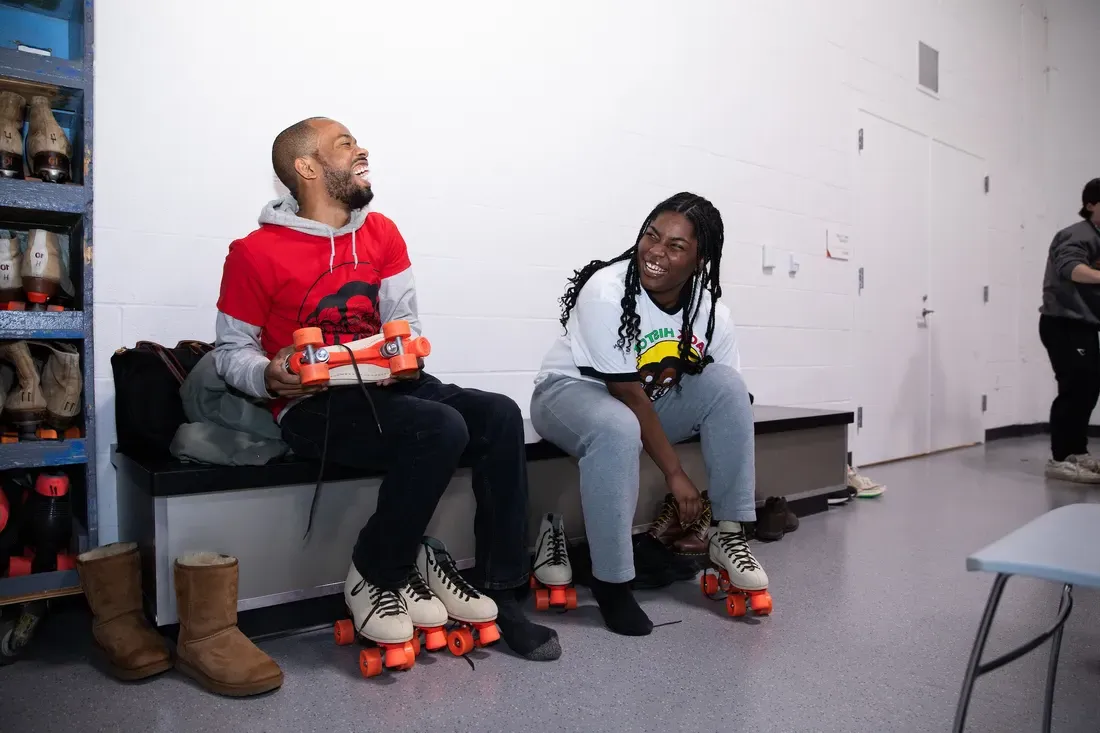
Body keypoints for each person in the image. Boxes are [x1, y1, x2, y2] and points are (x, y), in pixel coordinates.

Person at [213, 116, 560, 661]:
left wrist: (403, 354)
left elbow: (408, 326)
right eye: (345, 144)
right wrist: (266, 374)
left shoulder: (383, 233)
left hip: (387, 386)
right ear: (306, 168)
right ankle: (377, 572)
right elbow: (230, 353)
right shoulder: (253, 252)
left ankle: (501, 590)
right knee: (440, 427)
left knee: (497, 414)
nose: (361, 150)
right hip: (312, 406)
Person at [529, 192, 768, 636]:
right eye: (651, 236)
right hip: (569, 394)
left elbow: (727, 398)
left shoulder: (709, 310)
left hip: (647, 401)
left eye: (676, 246)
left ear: (699, 260)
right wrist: (676, 475)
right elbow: (627, 395)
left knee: (729, 387)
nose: (656, 252)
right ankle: (613, 583)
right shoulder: (606, 288)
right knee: (618, 425)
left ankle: (730, 532)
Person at [1039, 177, 1100, 483]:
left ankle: (1077, 451)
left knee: (1089, 387)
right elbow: (1071, 268)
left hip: (1085, 324)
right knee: (1075, 386)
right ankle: (1060, 458)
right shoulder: (1076, 234)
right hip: (1063, 322)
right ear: (1090, 205)